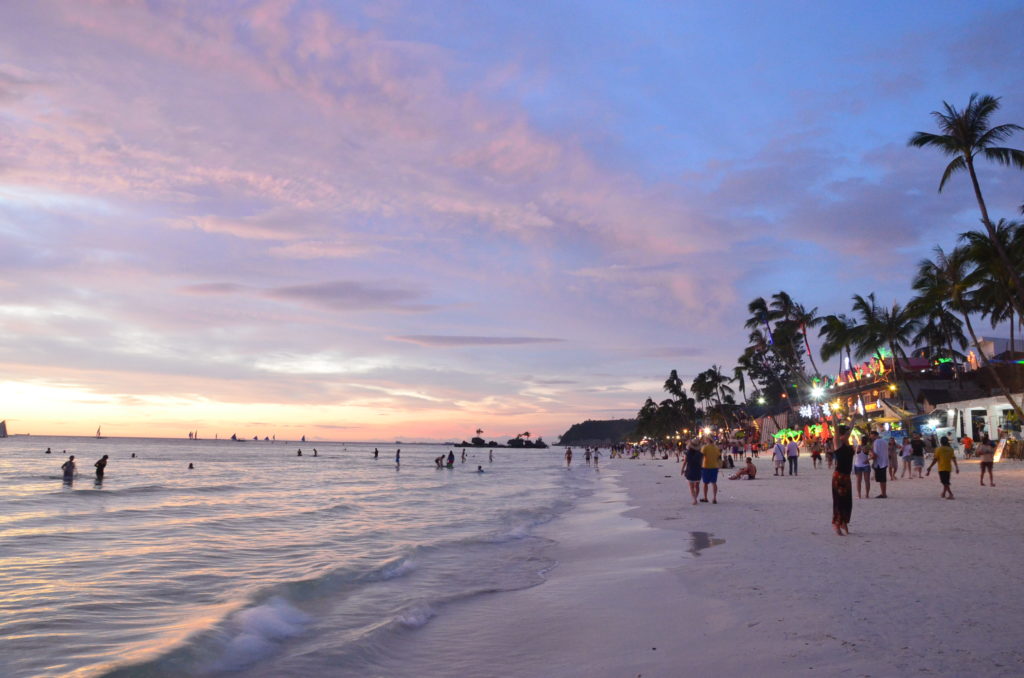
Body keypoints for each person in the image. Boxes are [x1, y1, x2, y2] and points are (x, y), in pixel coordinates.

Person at [831, 425, 854, 536]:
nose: (847, 434)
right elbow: (835, 429)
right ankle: (836, 524)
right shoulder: (838, 443)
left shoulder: (847, 444)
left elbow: (851, 428)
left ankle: (844, 521)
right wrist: (834, 416)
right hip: (839, 477)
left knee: (847, 502)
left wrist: (854, 416)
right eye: (845, 433)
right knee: (839, 501)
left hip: (847, 477)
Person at [700, 438, 722, 504]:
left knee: (705, 483)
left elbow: (701, 456)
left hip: (706, 466)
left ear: (707, 440)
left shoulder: (705, 447)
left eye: (705, 439)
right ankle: (714, 498)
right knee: (714, 483)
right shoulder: (716, 448)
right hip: (715, 466)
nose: (704, 440)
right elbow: (719, 457)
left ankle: (705, 498)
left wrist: (700, 465)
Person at [869, 431, 889, 498]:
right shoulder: (884, 441)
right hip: (884, 461)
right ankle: (883, 493)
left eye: (871, 435)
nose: (870, 437)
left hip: (879, 463)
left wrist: (869, 457)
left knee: (881, 480)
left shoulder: (876, 442)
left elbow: (875, 455)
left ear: (874, 435)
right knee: (883, 479)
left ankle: (883, 494)